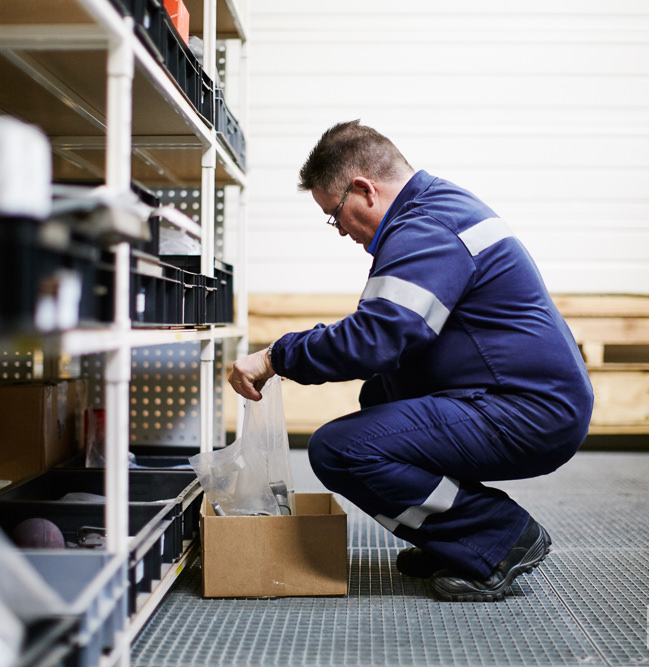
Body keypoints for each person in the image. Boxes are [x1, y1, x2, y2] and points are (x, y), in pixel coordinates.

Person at [228, 120, 593, 602]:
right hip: (521, 397)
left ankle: (495, 539)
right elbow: (390, 339)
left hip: (528, 410)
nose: (339, 231)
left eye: (335, 214)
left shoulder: (428, 228)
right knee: (379, 395)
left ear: (364, 190)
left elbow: (375, 338)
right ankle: (452, 539)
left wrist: (276, 357)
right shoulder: (434, 211)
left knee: (340, 449)